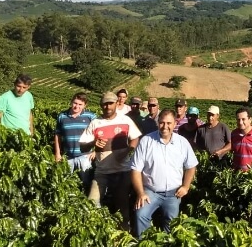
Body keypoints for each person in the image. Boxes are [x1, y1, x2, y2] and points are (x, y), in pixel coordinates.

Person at [79, 91, 141, 232]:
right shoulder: (95, 123)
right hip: (102, 172)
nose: (107, 107)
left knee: (122, 206)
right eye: (104, 104)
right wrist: (94, 143)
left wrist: (127, 151)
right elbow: (82, 146)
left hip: (122, 171)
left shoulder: (125, 120)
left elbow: (135, 138)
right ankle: (95, 233)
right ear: (101, 106)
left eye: (110, 103)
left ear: (116, 103)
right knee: (91, 203)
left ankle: (124, 235)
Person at [130, 109, 198, 238]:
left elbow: (191, 166)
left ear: (174, 124)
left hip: (173, 193)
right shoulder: (146, 141)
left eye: (168, 123)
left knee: (171, 224)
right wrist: (141, 193)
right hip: (151, 191)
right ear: (157, 122)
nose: (165, 126)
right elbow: (135, 169)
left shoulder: (182, 143)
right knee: (141, 215)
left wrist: (186, 186)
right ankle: (145, 245)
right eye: (162, 123)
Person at [53, 92, 97, 188]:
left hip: (85, 156)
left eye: (80, 104)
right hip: (68, 156)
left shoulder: (91, 116)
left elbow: (99, 133)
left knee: (85, 183)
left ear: (85, 105)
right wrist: (57, 153)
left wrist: (96, 151)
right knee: (66, 183)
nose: (77, 106)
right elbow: (57, 135)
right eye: (75, 103)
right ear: (71, 102)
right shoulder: (62, 116)